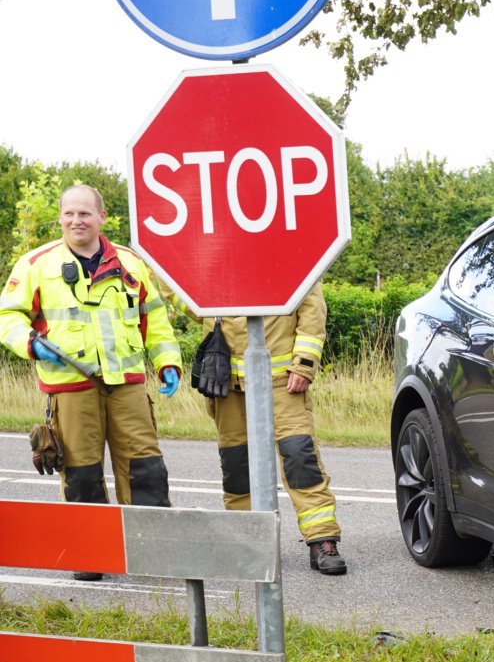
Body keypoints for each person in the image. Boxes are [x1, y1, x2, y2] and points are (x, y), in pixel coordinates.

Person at [0, 184, 182, 581]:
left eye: (84, 213)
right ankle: (91, 553)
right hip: (70, 386)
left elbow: (156, 320)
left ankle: (150, 550)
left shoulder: (132, 264)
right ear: (60, 218)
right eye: (68, 214)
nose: (75, 221)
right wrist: (31, 344)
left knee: (145, 466)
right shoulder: (36, 263)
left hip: (127, 385)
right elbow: (7, 317)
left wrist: (168, 361)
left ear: (102, 217)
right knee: (81, 472)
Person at [191, 285, 347, 575]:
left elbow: (312, 312)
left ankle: (322, 540)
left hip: (281, 381)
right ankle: (247, 543)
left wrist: (303, 366)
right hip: (227, 384)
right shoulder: (218, 259)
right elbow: (192, 302)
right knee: (237, 466)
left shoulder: (288, 252)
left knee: (300, 458)